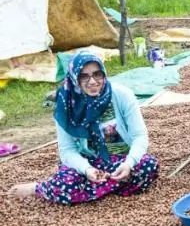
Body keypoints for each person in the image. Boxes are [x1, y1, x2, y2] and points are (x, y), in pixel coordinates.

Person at [8, 52, 159, 204]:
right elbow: (67, 151)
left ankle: (93, 189)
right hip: (87, 161)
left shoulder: (122, 95)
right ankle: (39, 188)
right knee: (67, 185)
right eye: (84, 76)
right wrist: (87, 170)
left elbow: (139, 136)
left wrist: (129, 163)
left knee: (147, 166)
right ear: (75, 78)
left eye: (97, 74)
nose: (92, 81)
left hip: (121, 159)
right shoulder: (66, 105)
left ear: (104, 74)